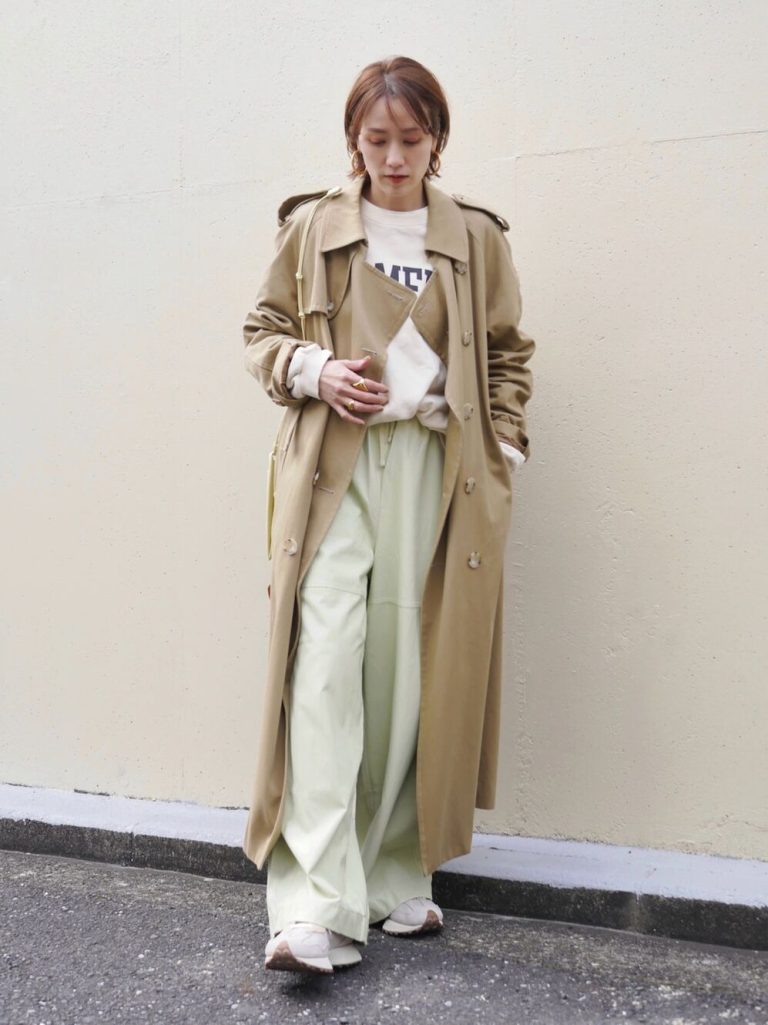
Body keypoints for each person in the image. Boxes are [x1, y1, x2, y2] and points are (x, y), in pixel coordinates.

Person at [241, 56, 535, 975]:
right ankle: (312, 903)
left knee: (409, 672)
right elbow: (262, 333)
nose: (395, 157)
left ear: (438, 139)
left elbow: (506, 352)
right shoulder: (313, 227)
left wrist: (503, 449)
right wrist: (316, 371)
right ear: (353, 140)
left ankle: (394, 872)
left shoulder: (475, 237)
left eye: (412, 138)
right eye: (377, 139)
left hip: (435, 470)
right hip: (333, 466)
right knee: (324, 668)